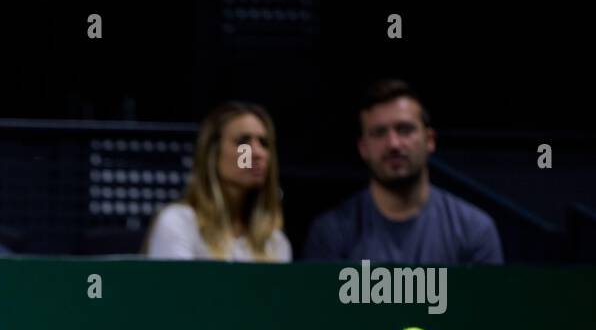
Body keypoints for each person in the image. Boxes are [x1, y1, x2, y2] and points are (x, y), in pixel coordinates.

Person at [302, 79, 503, 264]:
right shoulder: (330, 233)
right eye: (379, 133)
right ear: (363, 148)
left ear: (429, 140)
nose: (393, 144)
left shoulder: (474, 230)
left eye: (405, 129)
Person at [142, 101, 291, 262]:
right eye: (243, 141)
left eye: (264, 143)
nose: (257, 153)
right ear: (212, 153)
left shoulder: (275, 242)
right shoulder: (179, 223)